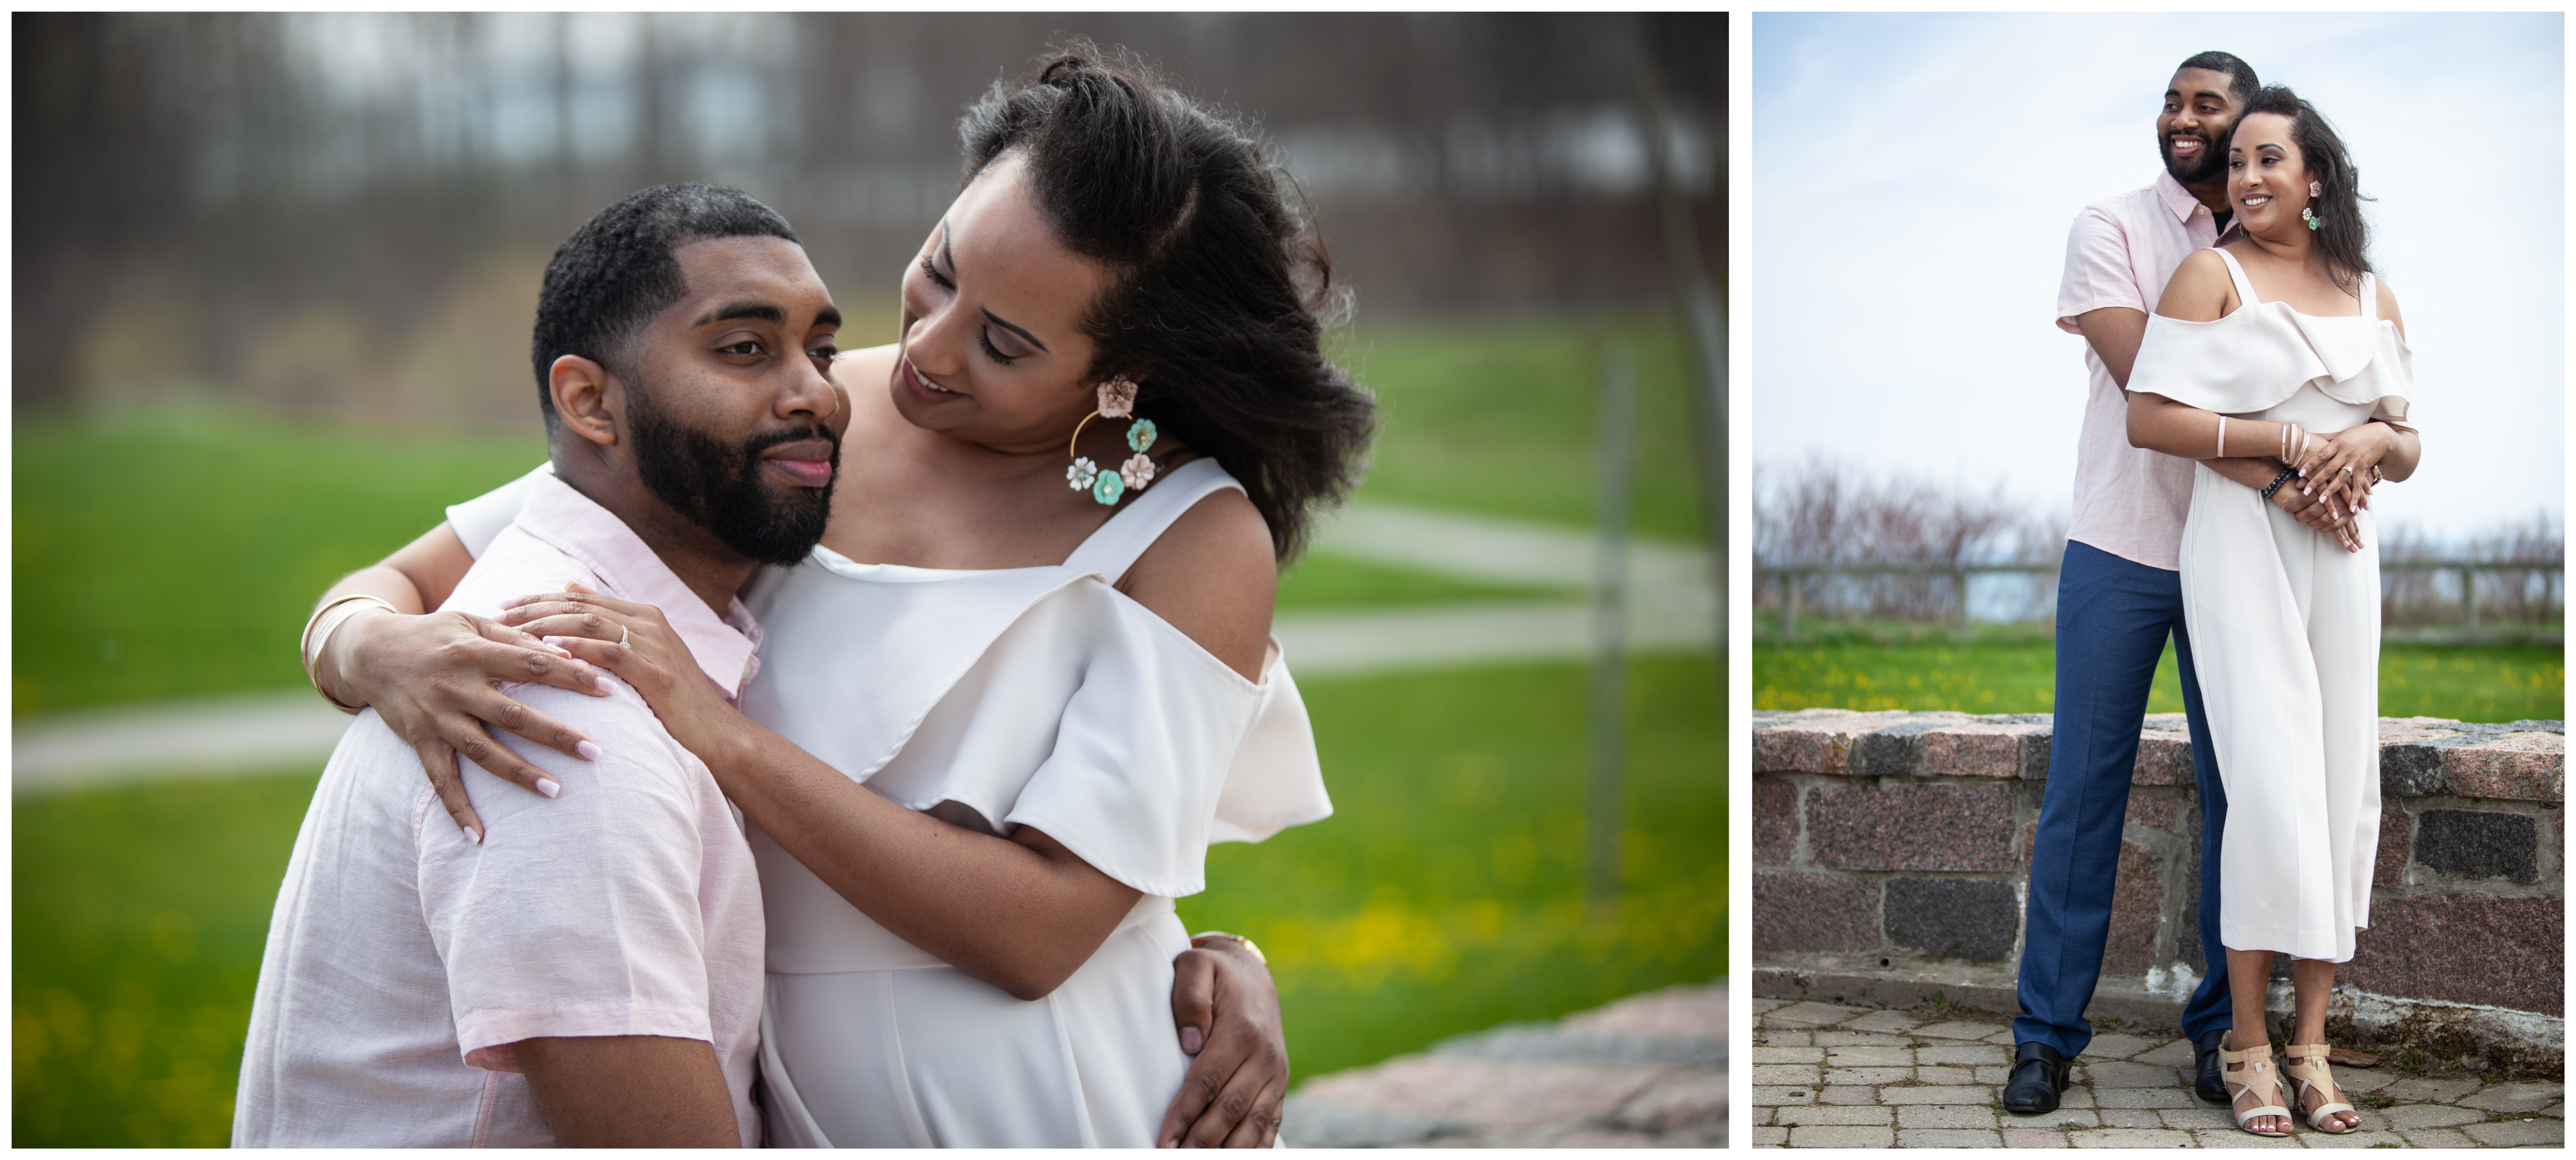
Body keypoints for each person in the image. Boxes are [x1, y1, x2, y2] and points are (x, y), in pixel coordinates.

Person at [301, 43, 1368, 1148]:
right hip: (794, 1102)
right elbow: (408, 578)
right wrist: (366, 652)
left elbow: (1046, 931)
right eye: (941, 270)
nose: (927, 347)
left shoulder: (1193, 535)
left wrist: (723, 736)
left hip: (1065, 1101)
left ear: (1124, 378)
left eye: (1004, 343)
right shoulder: (797, 415)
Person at [236, 184, 843, 1147]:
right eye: (744, 348)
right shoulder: (556, 699)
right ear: (589, 402)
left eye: (822, 348)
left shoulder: (602, 610)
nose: (818, 393)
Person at [2007, 51, 2368, 1118]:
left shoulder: (2284, 253)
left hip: (2249, 565)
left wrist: (2349, 458)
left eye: (2206, 105)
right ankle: (2044, 1038)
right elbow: (2150, 384)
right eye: (2171, 101)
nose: (2180, 118)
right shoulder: (2111, 226)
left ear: (2254, 126)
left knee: (2245, 795)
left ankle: (2227, 1038)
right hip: (2123, 547)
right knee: (2083, 794)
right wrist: (2290, 476)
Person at [2124, 85, 2416, 1137]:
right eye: (2237, 162)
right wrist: (2292, 445)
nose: (2244, 180)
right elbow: (2148, 416)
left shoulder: (2371, 292)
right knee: (2265, 781)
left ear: (2316, 178)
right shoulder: (2211, 275)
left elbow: (2408, 442)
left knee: (2340, 781)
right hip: (2242, 546)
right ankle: (2244, 1043)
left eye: (2267, 163)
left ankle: (2312, 1045)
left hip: (2343, 554)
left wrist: (2365, 448)